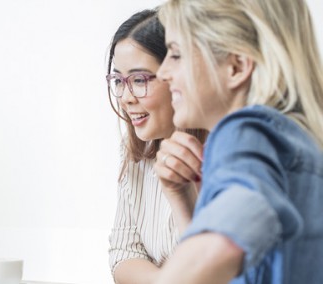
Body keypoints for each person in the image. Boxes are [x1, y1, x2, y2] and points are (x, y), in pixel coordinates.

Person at [152, 0, 323, 283]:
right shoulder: (299, 140)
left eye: (177, 54)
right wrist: (182, 198)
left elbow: (239, 220)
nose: (163, 73)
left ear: (236, 66)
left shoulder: (244, 131)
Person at [106, 9, 208, 284]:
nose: (126, 97)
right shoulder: (136, 153)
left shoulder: (228, 154)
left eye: (139, 80)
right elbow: (122, 251)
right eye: (118, 81)